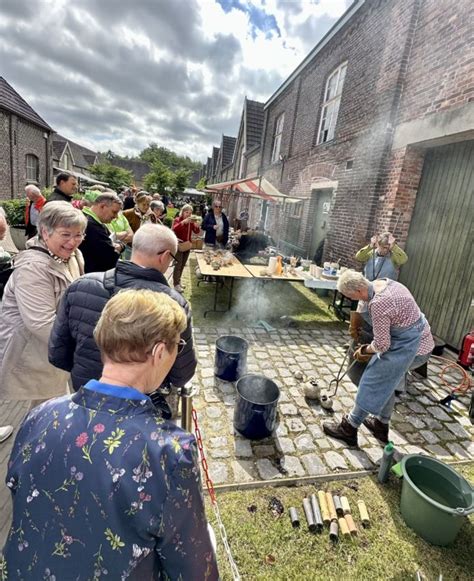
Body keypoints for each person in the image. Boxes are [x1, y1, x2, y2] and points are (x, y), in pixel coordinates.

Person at [3, 289, 219, 580]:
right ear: (158, 352)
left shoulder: (39, 416)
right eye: (176, 346)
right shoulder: (168, 451)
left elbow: (20, 490)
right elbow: (193, 567)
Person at [49, 223, 197, 396]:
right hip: (140, 399)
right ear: (164, 256)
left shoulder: (81, 285)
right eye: (172, 258)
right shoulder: (174, 304)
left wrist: (87, 371)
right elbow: (181, 374)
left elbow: (57, 353)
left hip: (85, 391)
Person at [323, 270, 434, 446]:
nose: (352, 300)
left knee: (373, 381)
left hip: (414, 348)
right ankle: (381, 425)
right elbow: (363, 302)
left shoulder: (380, 303)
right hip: (411, 339)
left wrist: (365, 350)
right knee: (387, 383)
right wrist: (356, 321)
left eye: (349, 296)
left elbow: (382, 345)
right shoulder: (381, 283)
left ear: (359, 289)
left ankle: (349, 428)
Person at [0, 202, 86, 401]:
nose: (73, 242)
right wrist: (82, 347)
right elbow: (41, 323)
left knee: (50, 409)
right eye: (66, 234)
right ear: (45, 233)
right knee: (45, 412)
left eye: (79, 234)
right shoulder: (32, 268)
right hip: (32, 352)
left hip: (54, 350)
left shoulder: (72, 256)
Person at [79, 192, 124, 273]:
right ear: (102, 206)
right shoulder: (92, 226)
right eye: (114, 212)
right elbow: (110, 258)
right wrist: (120, 247)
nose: (116, 217)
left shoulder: (85, 217)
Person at [172, 204, 200, 292]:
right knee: (178, 265)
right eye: (187, 212)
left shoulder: (191, 222)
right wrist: (183, 222)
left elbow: (196, 231)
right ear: (182, 212)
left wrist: (197, 225)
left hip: (187, 245)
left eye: (190, 213)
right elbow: (175, 229)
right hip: (179, 245)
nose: (188, 214)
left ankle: (178, 281)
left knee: (183, 265)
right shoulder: (178, 220)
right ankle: (176, 284)